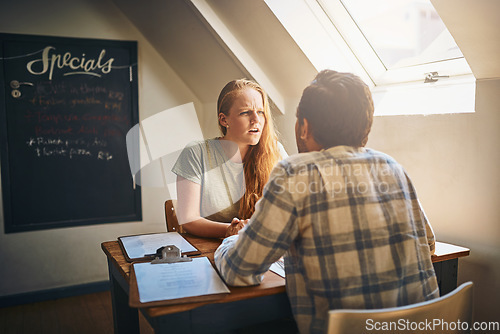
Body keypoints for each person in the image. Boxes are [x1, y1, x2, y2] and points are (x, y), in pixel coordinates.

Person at [214, 70, 439, 334]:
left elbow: (239, 271)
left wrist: (232, 239)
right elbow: (430, 245)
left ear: (304, 127)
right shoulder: (391, 167)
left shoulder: (295, 173)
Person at [172, 79, 287, 238]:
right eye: (245, 112)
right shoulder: (196, 153)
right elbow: (189, 219)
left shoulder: (275, 150)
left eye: (260, 112)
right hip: (210, 247)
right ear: (224, 120)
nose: (256, 120)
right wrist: (231, 230)